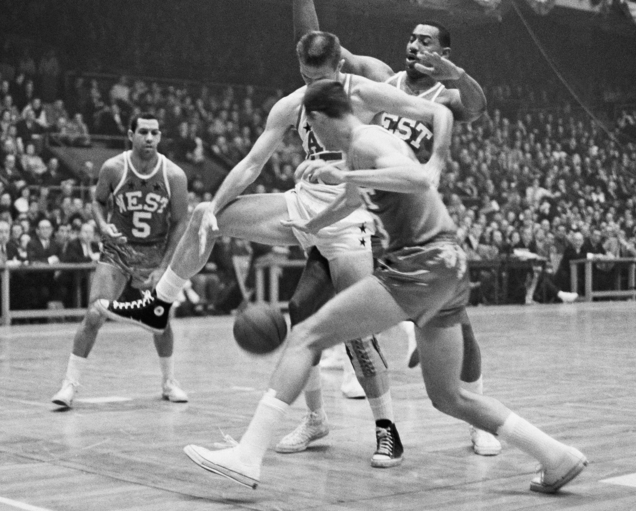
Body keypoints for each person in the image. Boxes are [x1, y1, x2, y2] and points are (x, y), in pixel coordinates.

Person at [182, 80, 587, 493]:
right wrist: (310, 224)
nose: (311, 139)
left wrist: (343, 172)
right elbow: (351, 200)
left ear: (318, 118)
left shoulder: (369, 140)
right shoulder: (355, 150)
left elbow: (417, 179)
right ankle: (556, 456)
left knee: (305, 335)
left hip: (420, 265)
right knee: (448, 397)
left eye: (310, 127)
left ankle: (248, 455)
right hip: (448, 267)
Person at [97, 31, 454, 468]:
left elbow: (439, 112)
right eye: (306, 77)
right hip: (304, 208)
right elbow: (251, 163)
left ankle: (387, 430)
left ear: (340, 67)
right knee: (208, 216)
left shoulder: (364, 92)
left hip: (348, 217)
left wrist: (436, 161)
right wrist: (217, 205)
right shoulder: (291, 104)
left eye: (320, 78)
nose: (312, 88)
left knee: (356, 333)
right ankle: (160, 303)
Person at [291, 0, 500, 455]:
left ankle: (479, 419)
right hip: (367, 208)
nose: (415, 45)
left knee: (459, 326)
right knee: (313, 305)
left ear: (443, 52)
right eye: (412, 38)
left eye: (426, 41)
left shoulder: (444, 97)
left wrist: (458, 76)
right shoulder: (380, 77)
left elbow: (477, 106)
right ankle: (326, 406)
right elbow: (320, 49)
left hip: (414, 213)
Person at [50, 113, 189, 408]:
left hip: (154, 253)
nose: (149, 138)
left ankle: (169, 381)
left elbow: (180, 222)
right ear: (130, 134)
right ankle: (69, 384)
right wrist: (102, 226)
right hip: (118, 251)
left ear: (160, 136)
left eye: (154, 133)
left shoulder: (174, 175)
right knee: (94, 313)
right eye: (143, 132)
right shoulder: (114, 167)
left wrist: (164, 265)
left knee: (161, 321)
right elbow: (98, 201)